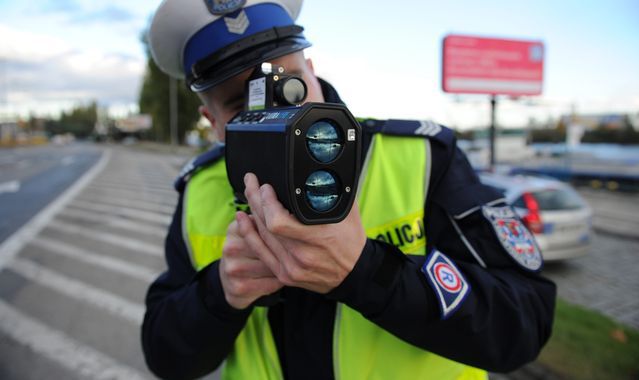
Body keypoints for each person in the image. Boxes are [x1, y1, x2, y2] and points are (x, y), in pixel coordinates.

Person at [142, 1, 557, 379]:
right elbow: (166, 356)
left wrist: (367, 271)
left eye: (290, 87)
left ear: (312, 71)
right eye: (241, 105)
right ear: (211, 121)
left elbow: (524, 321)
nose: (275, 114)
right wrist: (220, 292)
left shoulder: (421, 159)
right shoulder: (200, 190)